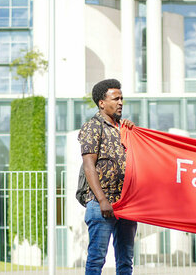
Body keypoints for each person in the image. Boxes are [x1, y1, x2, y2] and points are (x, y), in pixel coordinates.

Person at [78, 78, 136, 275]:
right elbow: (89, 165)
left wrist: (131, 131)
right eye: (115, 98)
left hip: (126, 205)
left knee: (126, 261)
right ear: (102, 103)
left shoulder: (125, 129)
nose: (120, 102)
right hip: (101, 204)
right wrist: (103, 200)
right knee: (96, 260)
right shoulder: (92, 127)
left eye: (122, 98)